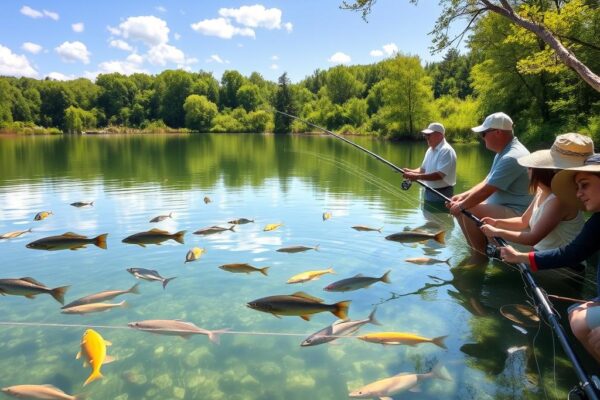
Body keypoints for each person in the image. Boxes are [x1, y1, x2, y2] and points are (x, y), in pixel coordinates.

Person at [500, 154, 600, 362]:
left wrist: (520, 257)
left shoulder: (560, 203)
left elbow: (569, 254)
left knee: (581, 324)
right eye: (577, 187)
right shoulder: (597, 221)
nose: (579, 193)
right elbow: (573, 251)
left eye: (584, 185)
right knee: (574, 314)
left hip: (564, 271)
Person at [480, 133, 592, 251]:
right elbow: (523, 221)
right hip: (540, 254)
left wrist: (497, 231)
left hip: (563, 267)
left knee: (498, 243)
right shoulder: (541, 191)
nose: (527, 171)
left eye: (529, 167)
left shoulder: (558, 200)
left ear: (541, 172)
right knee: (498, 244)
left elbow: (532, 238)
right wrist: (497, 223)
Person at [446, 112, 532, 253]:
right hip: (503, 207)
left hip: (519, 214)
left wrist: (462, 205)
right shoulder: (503, 152)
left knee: (468, 208)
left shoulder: (512, 156)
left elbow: (487, 190)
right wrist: (462, 197)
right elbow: (487, 180)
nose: (482, 137)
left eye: (484, 133)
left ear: (498, 132)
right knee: (463, 207)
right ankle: (475, 248)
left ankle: (479, 255)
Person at [402, 122, 457, 203]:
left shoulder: (446, 150)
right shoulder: (430, 149)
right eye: (425, 135)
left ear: (439, 135)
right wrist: (410, 171)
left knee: (439, 215)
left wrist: (416, 177)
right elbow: (423, 169)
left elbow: (439, 175)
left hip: (442, 193)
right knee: (428, 215)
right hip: (428, 191)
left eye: (429, 135)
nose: (426, 137)